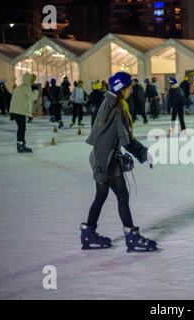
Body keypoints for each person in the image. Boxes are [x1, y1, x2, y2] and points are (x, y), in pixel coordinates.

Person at [82, 71, 157, 253]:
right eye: (129, 87)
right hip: (106, 161)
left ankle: (88, 234)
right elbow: (126, 139)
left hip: (103, 157)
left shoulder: (109, 102)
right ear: (121, 89)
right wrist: (144, 153)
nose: (131, 90)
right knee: (120, 196)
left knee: (104, 197)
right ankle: (131, 237)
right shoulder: (115, 108)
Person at [9, 73, 39, 153]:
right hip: (20, 111)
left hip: (16, 110)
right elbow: (33, 97)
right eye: (32, 80)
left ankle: (21, 144)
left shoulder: (19, 87)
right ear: (29, 80)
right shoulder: (26, 88)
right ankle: (21, 146)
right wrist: (36, 90)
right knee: (22, 128)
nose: (32, 82)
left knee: (21, 128)